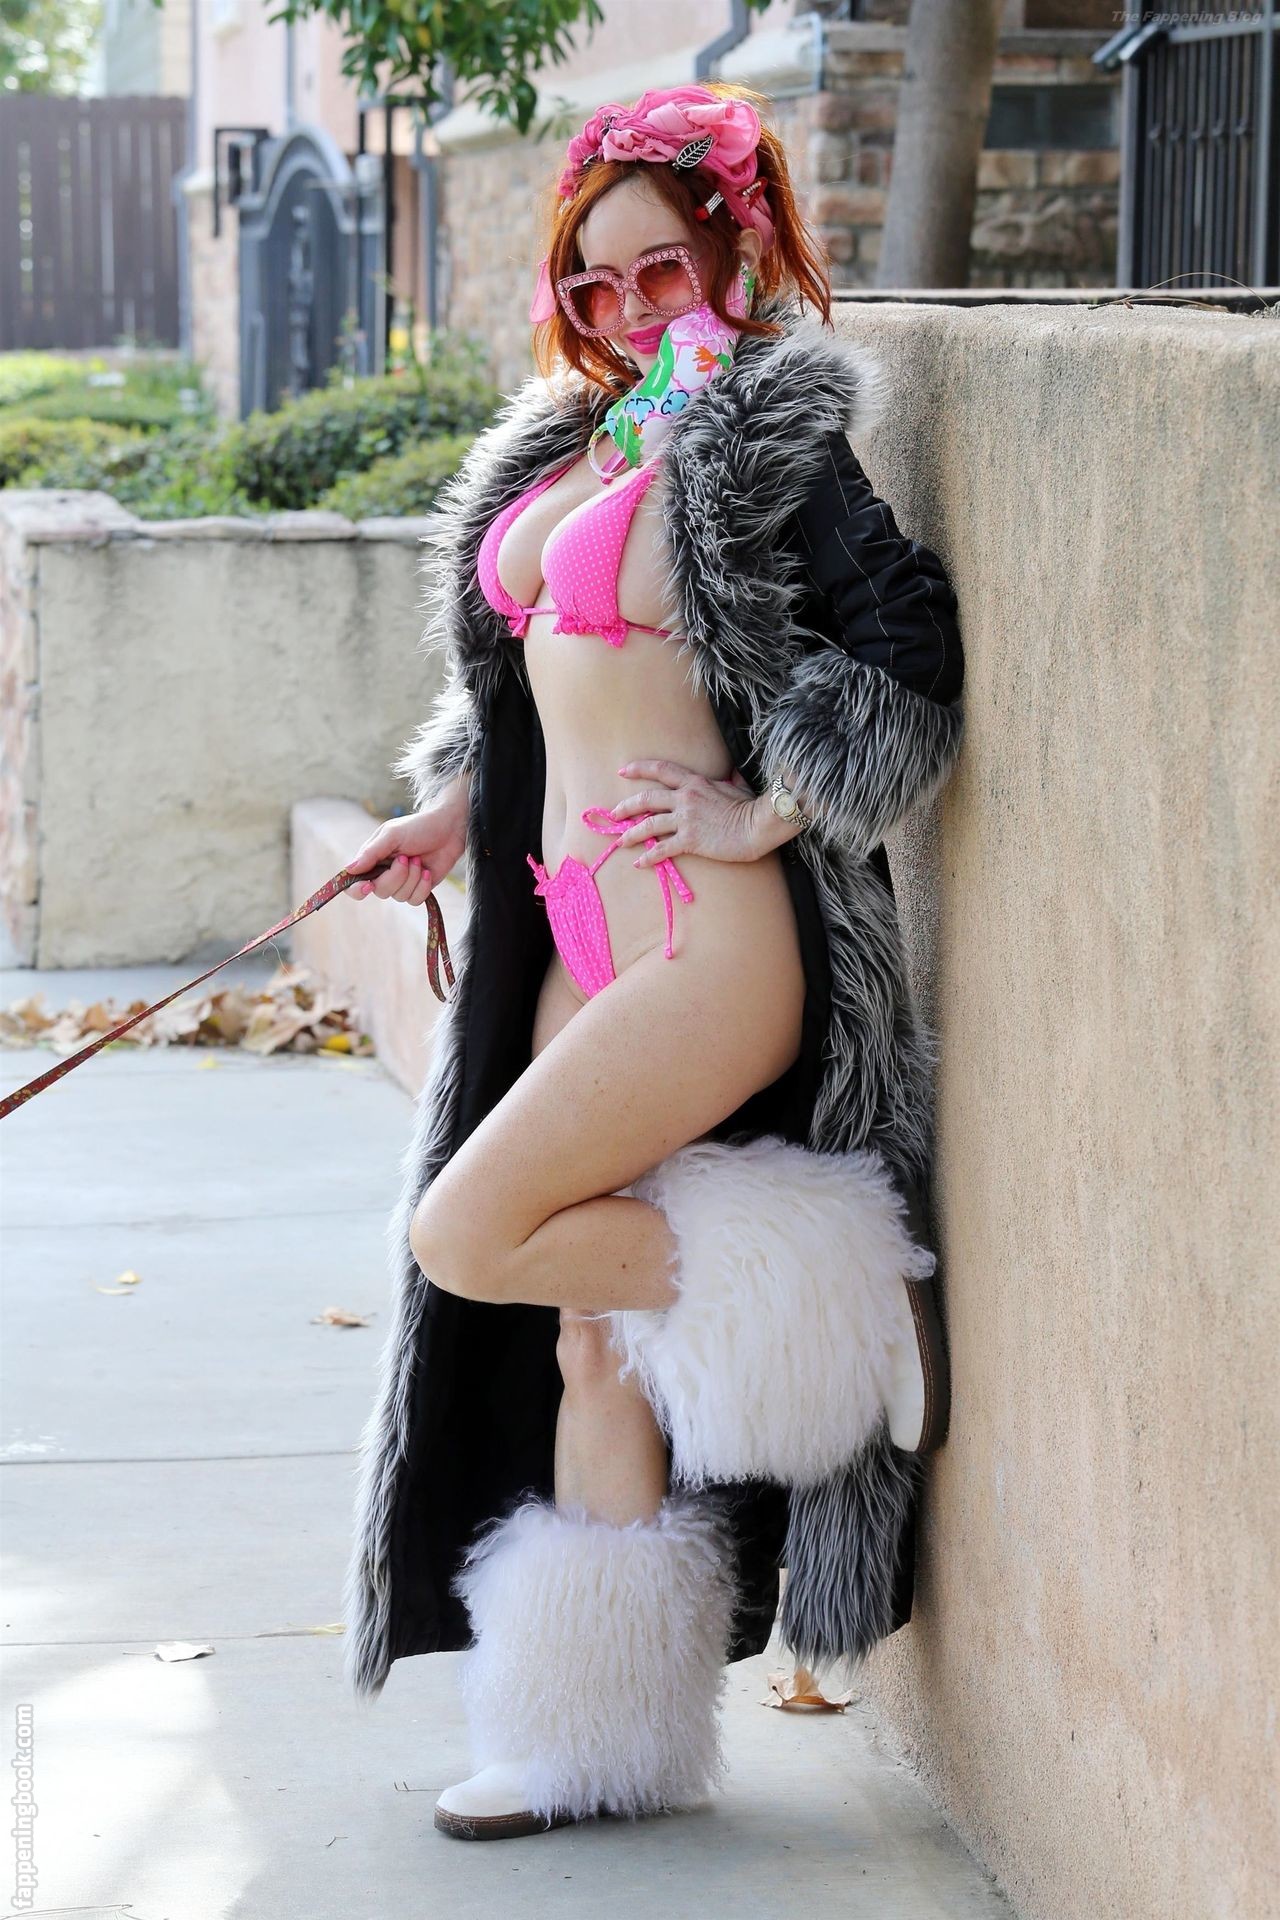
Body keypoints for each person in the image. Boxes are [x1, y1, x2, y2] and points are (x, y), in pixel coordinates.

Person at [341, 81, 965, 1842]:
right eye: (592, 282)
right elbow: (536, 697)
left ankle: (832, 1295)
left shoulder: (766, 432)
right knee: (590, 1347)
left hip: (704, 938)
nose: (625, 309)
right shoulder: (589, 438)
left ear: (733, 253)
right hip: (572, 927)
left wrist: (768, 810)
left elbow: (909, 647)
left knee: (467, 1230)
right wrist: (449, 818)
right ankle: (589, 1747)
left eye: (659, 270)